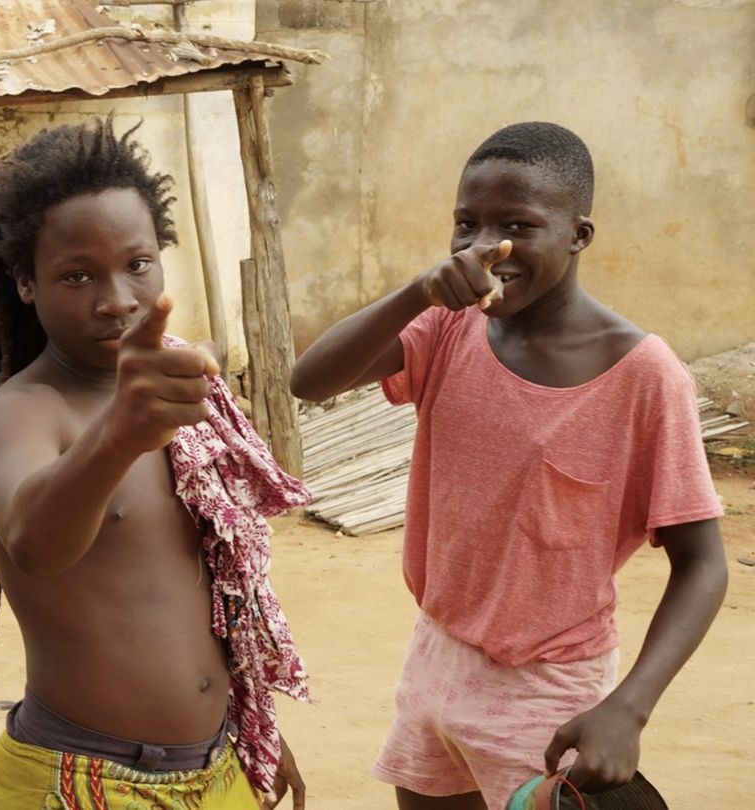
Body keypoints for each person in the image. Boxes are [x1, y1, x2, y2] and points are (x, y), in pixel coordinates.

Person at [288, 122, 728, 808]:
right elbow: (309, 382)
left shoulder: (644, 376)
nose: (485, 247)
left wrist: (629, 709)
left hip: (546, 689)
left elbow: (703, 563)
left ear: (579, 235)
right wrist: (416, 294)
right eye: (466, 224)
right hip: (436, 652)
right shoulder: (448, 327)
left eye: (519, 225)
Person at [0, 118, 312, 809]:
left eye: (137, 264)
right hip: (81, 779)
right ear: (25, 281)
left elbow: (214, 590)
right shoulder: (26, 412)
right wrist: (117, 435)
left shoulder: (183, 390)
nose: (115, 299)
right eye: (76, 275)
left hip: (216, 765)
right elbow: (34, 542)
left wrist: (249, 724)